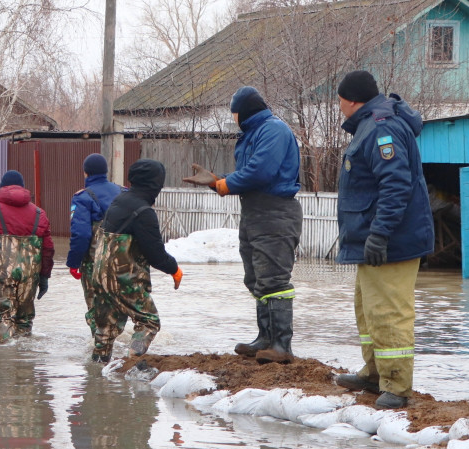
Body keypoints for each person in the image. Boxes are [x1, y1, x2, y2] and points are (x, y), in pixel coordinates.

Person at [332, 70, 434, 410]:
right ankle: (375, 374)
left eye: (340, 100)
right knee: (368, 310)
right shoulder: (371, 125)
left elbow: (395, 185)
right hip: (373, 240)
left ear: (351, 100)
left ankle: (397, 386)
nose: (339, 106)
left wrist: (379, 233)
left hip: (390, 242)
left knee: (389, 311)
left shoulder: (380, 128)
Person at [183, 86, 303, 364]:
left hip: (275, 211)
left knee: (274, 279)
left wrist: (221, 183)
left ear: (243, 111)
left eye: (233, 113)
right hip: (254, 211)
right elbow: (248, 174)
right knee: (256, 278)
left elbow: (261, 172)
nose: (233, 118)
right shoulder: (254, 133)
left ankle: (281, 345)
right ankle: (266, 338)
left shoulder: (273, 130)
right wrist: (216, 181)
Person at [87, 159, 183, 361]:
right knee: (148, 322)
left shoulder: (119, 201)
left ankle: (96, 380)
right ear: (155, 184)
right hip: (123, 277)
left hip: (98, 275)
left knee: (105, 330)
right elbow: (155, 254)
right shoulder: (143, 212)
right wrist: (174, 269)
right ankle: (132, 359)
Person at [0, 170, 54, 342]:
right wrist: (44, 276)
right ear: (23, 188)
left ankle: (5, 361)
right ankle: (24, 365)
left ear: (1, 187)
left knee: (2, 320)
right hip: (29, 277)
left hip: (0, 275)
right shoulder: (39, 213)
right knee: (24, 321)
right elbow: (48, 249)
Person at [65, 154, 124, 362]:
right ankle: (122, 350)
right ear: (106, 171)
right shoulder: (123, 193)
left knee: (97, 307)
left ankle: (101, 354)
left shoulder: (83, 197)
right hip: (123, 263)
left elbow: (81, 234)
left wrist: (73, 263)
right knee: (120, 304)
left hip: (95, 264)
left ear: (85, 173)